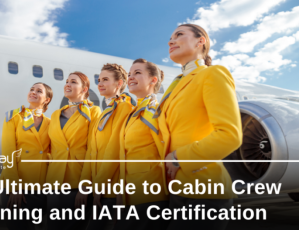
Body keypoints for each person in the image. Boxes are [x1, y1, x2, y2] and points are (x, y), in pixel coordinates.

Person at [155, 24, 242, 230]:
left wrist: (178, 158)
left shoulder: (212, 74)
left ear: (200, 41)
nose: (170, 41)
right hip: (178, 190)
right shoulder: (177, 85)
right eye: (170, 37)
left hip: (205, 192)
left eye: (179, 35)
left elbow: (230, 135)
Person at [114, 58, 169, 230]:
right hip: (130, 196)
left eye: (137, 73)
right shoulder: (133, 113)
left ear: (154, 80)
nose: (130, 77)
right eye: (130, 74)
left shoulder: (157, 111)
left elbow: (168, 150)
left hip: (151, 197)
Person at [78, 63, 134, 230]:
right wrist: (85, 186)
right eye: (99, 79)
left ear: (119, 83)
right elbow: (92, 152)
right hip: (99, 190)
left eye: (105, 80)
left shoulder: (124, 106)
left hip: (110, 192)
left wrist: (99, 187)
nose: (100, 83)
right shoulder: (105, 111)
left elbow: (115, 149)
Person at [46, 71, 101, 230]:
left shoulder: (93, 111)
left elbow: (93, 148)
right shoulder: (56, 114)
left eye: (74, 82)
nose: (68, 84)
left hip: (78, 181)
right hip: (54, 182)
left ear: (85, 90)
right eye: (67, 81)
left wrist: (85, 187)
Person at [0, 82, 53, 230]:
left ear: (47, 99)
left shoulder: (51, 123)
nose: (33, 92)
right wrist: (15, 188)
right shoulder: (14, 117)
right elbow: (8, 153)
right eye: (31, 90)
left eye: (39, 91)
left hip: (41, 187)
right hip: (17, 187)